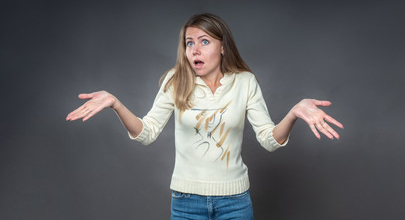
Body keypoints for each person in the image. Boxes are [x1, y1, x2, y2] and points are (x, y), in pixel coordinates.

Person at [66, 13, 343, 220]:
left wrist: (293, 112)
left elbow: (269, 140)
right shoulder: (175, 81)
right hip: (186, 202)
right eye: (189, 43)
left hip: (235, 202)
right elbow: (146, 132)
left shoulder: (245, 82)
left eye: (204, 41)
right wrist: (116, 103)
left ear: (223, 47)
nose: (194, 50)